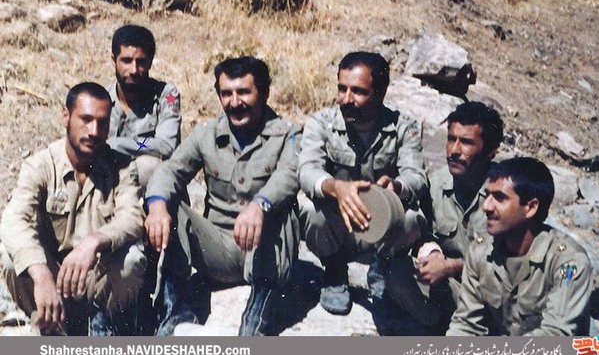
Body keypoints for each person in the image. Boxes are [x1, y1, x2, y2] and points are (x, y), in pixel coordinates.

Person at [144, 56, 300, 336]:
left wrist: (259, 205)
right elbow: (170, 170)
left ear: (264, 92)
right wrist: (156, 206)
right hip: (218, 251)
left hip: (263, 251)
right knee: (168, 205)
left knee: (286, 209)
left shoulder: (288, 134)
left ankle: (258, 317)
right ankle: (175, 308)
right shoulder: (207, 134)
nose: (234, 102)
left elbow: (289, 176)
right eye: (226, 93)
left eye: (244, 92)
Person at [0, 83, 146, 336]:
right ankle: (48, 323)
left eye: (102, 123)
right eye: (86, 120)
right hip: (53, 281)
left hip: (96, 280)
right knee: (11, 258)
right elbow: (14, 219)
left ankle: (106, 326)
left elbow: (132, 216)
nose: (94, 131)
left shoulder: (120, 167)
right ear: (66, 116)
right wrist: (41, 274)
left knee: (132, 259)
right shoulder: (41, 166)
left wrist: (93, 242)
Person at [298, 51, 428, 315]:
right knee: (309, 209)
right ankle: (334, 271)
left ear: (380, 93)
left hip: (382, 226)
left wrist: (397, 187)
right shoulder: (321, 123)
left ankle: (382, 267)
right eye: (342, 88)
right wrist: (336, 188)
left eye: (358, 91)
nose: (346, 99)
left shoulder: (404, 128)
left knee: (413, 218)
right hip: (339, 224)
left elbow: (417, 177)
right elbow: (306, 170)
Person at [386, 101, 503, 333]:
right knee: (397, 272)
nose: (453, 151)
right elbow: (424, 232)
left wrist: (451, 267)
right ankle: (441, 326)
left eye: (466, 142)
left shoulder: (506, 194)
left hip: (493, 300)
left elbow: (508, 267)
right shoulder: (436, 184)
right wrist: (432, 253)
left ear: (491, 151)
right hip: (454, 292)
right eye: (451, 139)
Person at [445, 157, 592, 336]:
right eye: (487, 195)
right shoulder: (480, 252)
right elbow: (465, 324)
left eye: (499, 198)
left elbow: (556, 334)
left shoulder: (567, 261)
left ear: (530, 207)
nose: (486, 206)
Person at [106, 24, 181, 188]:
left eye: (141, 62)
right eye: (126, 61)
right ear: (114, 60)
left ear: (150, 62)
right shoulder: (102, 99)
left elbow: (166, 146)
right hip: (110, 183)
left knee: (148, 165)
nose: (134, 70)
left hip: (153, 186)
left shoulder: (166, 95)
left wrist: (114, 144)